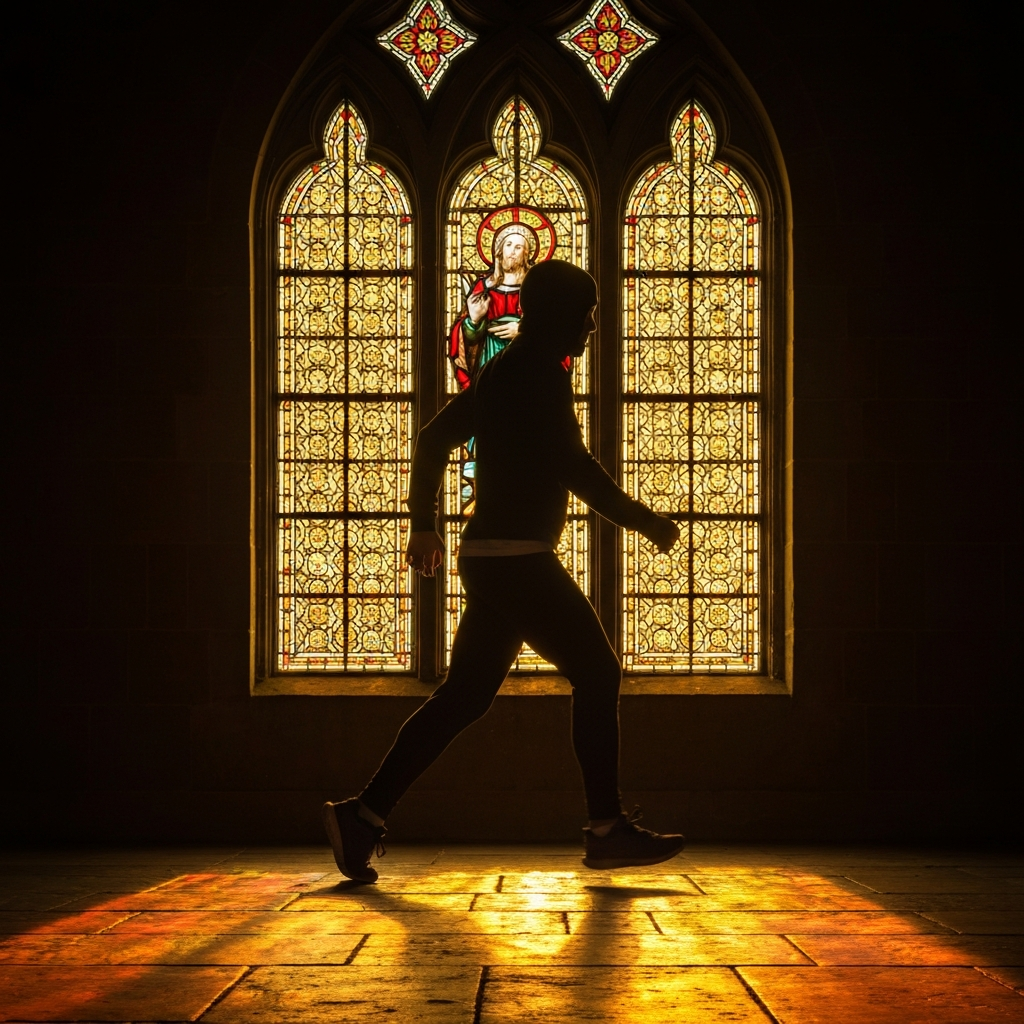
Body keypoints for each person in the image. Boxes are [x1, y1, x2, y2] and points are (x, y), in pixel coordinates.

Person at [323, 260, 685, 883]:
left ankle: (363, 815)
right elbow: (574, 467)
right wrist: (644, 520)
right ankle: (606, 830)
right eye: (588, 313)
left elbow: (435, 438)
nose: (594, 325)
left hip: (492, 559)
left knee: (463, 697)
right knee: (597, 674)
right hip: (517, 560)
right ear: (563, 316)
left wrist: (425, 524)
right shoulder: (535, 374)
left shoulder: (505, 370)